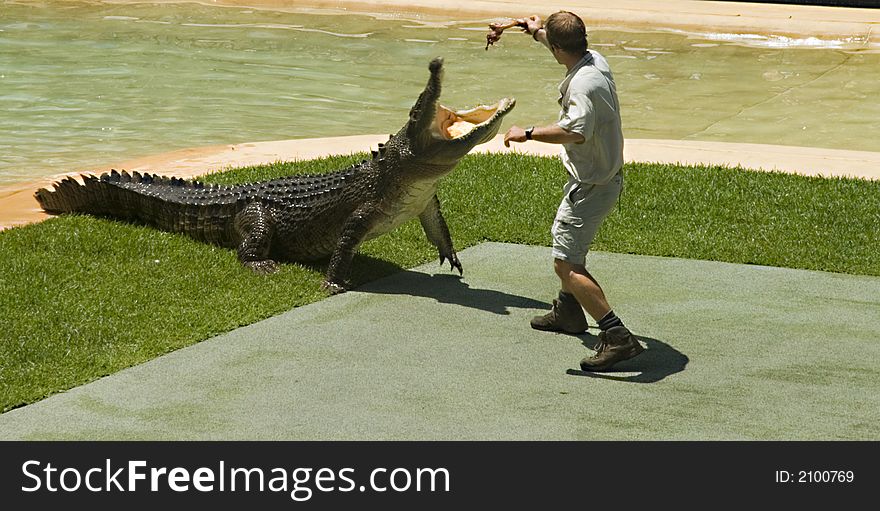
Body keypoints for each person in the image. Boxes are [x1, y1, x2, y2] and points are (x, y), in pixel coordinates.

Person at [503, 11, 643, 372]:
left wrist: (528, 133)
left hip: (592, 185)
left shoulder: (583, 86)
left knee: (566, 264)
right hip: (600, 176)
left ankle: (617, 337)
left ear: (558, 48)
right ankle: (568, 312)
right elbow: (556, 42)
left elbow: (575, 131)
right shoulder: (595, 60)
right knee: (570, 249)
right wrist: (533, 30)